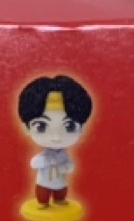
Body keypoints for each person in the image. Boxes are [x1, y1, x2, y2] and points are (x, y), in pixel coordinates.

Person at [17, 74, 94, 207]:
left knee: (61, 192)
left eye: (69, 126)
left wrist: (65, 167)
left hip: (60, 182)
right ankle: (43, 203)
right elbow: (34, 163)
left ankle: (59, 200)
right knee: (42, 193)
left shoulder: (64, 156)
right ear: (27, 128)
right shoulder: (44, 156)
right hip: (43, 182)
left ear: (82, 128)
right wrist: (46, 161)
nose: (56, 137)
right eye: (41, 126)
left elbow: (70, 166)